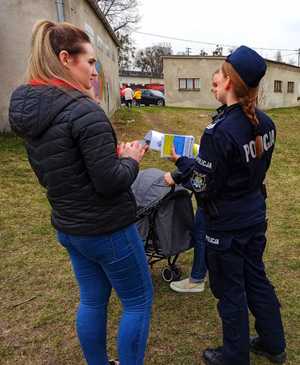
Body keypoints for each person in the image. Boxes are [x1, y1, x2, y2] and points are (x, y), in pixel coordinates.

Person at [9, 20, 153, 365]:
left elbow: (55, 170)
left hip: (70, 227)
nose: (94, 71)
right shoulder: (83, 110)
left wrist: (108, 155)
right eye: (89, 62)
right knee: (138, 300)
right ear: (65, 58)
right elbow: (109, 182)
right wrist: (131, 159)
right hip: (107, 229)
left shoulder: (36, 113)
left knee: (92, 298)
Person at [164, 46, 286, 365]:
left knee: (231, 292)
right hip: (254, 217)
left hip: (226, 227)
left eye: (218, 74)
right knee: (256, 278)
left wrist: (184, 163)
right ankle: (274, 343)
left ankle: (234, 357)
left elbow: (203, 186)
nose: (214, 80)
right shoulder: (267, 123)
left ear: (230, 81)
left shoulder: (219, 133)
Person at [165, 71, 221, 294]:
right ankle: (203, 273)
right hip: (227, 202)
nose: (214, 89)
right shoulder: (237, 122)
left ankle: (197, 278)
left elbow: (204, 177)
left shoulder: (221, 128)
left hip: (214, 202)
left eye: (217, 84)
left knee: (202, 232)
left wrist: (179, 166)